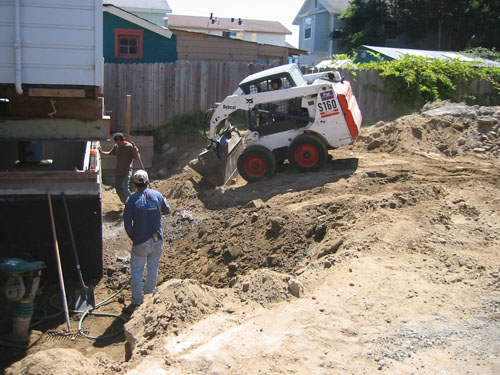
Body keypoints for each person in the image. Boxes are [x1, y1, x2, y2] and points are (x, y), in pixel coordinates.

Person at [123, 170, 171, 313]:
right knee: (153, 267)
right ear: (147, 181)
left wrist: (133, 237)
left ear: (134, 184)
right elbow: (167, 210)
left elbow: (127, 225)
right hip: (157, 239)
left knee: (137, 271)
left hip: (140, 241)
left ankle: (137, 301)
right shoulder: (157, 195)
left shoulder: (131, 200)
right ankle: (149, 298)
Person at [98, 133, 142, 204]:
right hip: (118, 171)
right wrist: (102, 152)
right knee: (118, 188)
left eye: (119, 143)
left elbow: (137, 157)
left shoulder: (129, 147)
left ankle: (133, 203)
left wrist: (136, 152)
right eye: (117, 143)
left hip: (127, 170)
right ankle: (126, 203)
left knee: (124, 187)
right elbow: (110, 153)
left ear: (123, 140)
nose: (118, 144)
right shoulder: (116, 147)